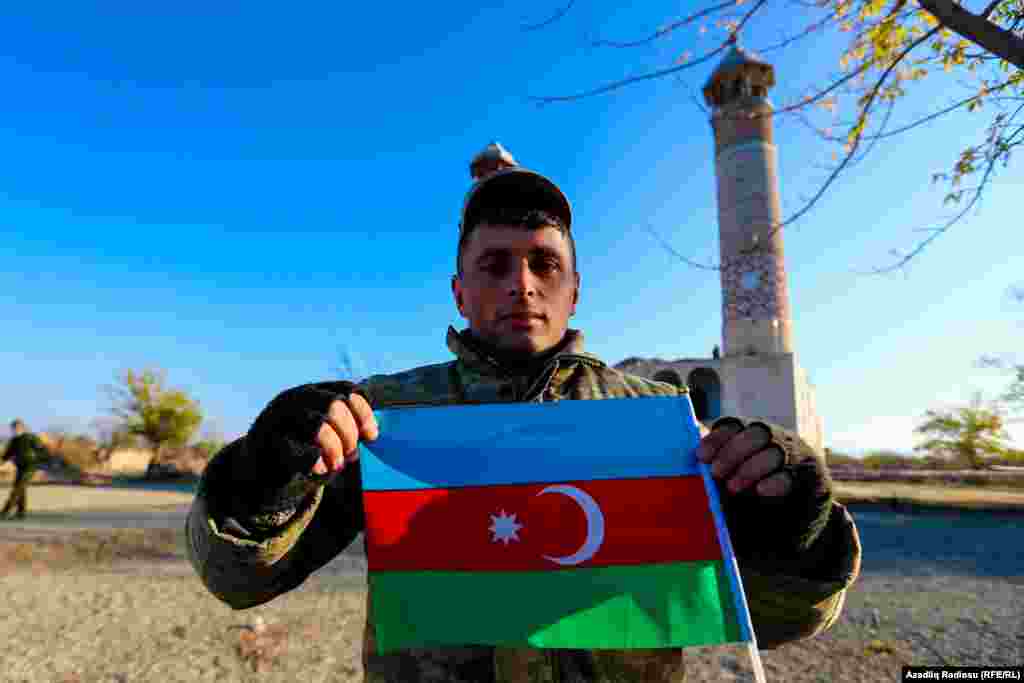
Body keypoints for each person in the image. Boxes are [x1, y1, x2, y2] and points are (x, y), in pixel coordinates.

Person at [185, 144, 861, 683]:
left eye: (544, 262)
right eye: (495, 263)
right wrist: (263, 477)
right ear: (458, 289)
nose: (522, 283)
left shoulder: (659, 426)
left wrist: (792, 527)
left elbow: (776, 618)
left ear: (575, 290)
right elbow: (236, 577)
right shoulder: (386, 420)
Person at [2, 419, 51, 519]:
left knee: (17, 488)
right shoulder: (14, 441)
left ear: (22, 428)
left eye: (17, 428)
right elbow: (7, 454)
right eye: (13, 428)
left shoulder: (31, 437)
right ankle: (21, 513)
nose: (15, 430)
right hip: (20, 466)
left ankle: (4, 512)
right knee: (20, 489)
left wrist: (38, 460)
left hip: (31, 466)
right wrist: (3, 461)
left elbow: (43, 451)